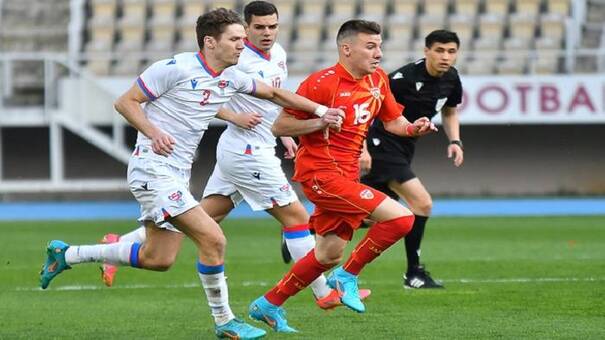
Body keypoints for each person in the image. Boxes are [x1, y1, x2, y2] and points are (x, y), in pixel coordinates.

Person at [39, 8, 344, 339]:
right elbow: (126, 102)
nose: (243, 45)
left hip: (177, 172)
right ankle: (225, 321)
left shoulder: (231, 76)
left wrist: (321, 110)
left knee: (159, 258)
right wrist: (153, 132)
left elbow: (273, 94)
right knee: (213, 238)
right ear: (211, 42)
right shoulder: (175, 68)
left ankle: (67, 254)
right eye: (236, 39)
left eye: (244, 39)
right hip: (152, 169)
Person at [99, 0, 369, 310]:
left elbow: (273, 98)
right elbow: (203, 95)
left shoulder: (277, 55)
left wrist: (287, 133)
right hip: (246, 150)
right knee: (295, 218)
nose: (267, 34)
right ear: (247, 28)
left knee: (203, 216)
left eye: (273, 27)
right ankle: (324, 292)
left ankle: (119, 245)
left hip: (259, 145)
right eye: (259, 28)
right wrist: (232, 116)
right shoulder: (234, 61)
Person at [247, 19, 437, 333]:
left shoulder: (378, 79)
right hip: (321, 175)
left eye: (379, 45)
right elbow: (280, 127)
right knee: (402, 218)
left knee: (327, 254)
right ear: (346, 49)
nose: (378, 52)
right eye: (370, 46)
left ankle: (268, 304)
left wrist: (414, 128)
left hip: (348, 176)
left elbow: (394, 122)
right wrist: (320, 122)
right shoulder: (322, 83)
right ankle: (347, 277)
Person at [360, 29, 463, 289]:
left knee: (371, 217)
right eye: (439, 50)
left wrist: (455, 141)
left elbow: (450, 111)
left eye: (451, 51)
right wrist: (362, 148)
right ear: (426, 51)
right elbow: (366, 111)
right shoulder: (403, 78)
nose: (445, 56)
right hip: (381, 145)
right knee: (422, 203)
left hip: (404, 149)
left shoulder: (452, 78)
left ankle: (307, 228)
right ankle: (414, 273)